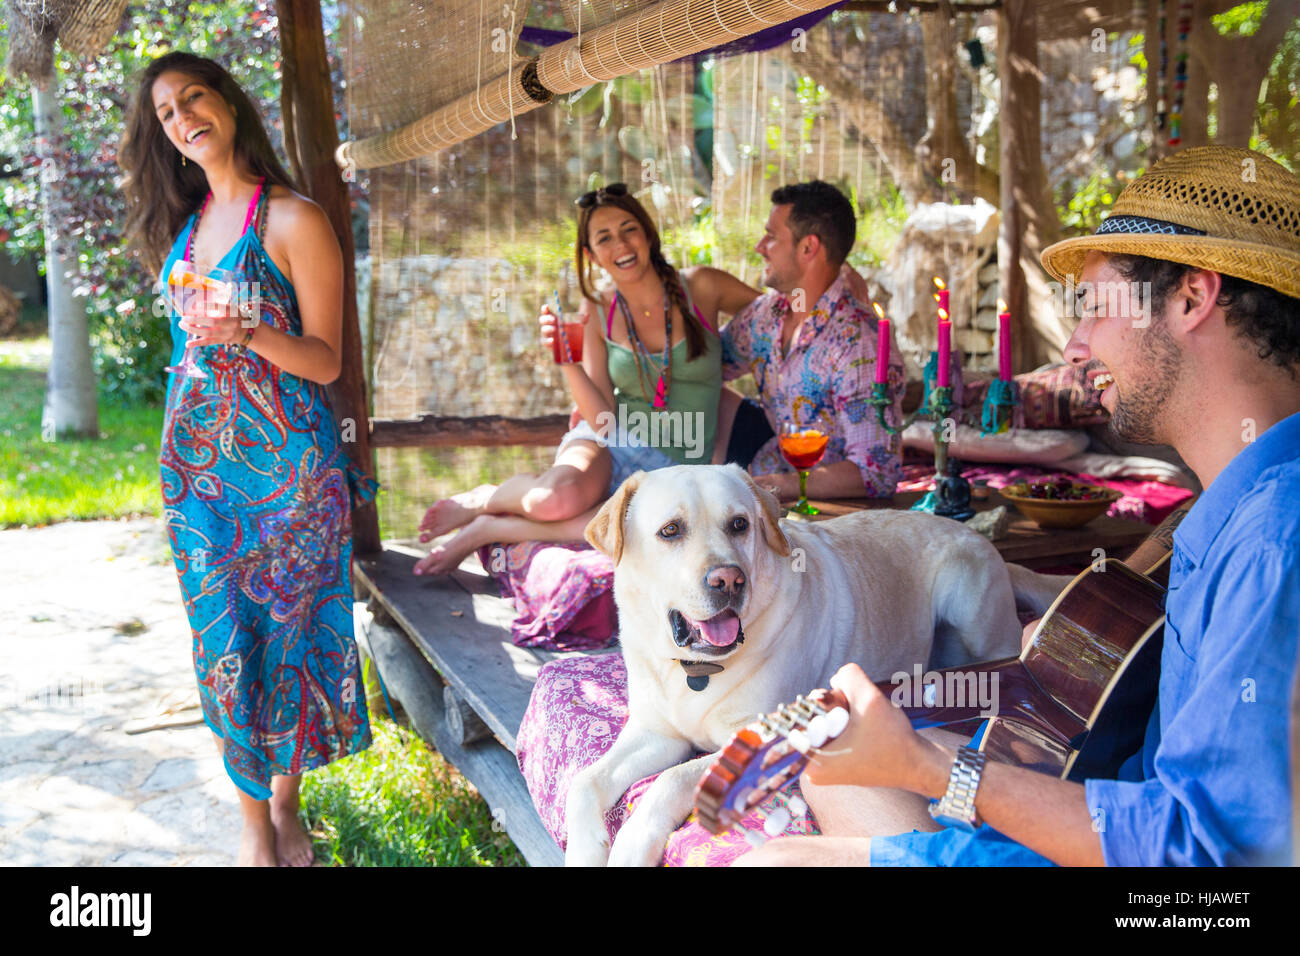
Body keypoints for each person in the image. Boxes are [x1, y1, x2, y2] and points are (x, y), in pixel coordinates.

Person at [736, 146, 1300, 867]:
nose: (1074, 343)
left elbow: (1211, 858)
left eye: (1095, 307)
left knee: (772, 860)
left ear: (1193, 298)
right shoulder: (1228, 504)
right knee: (835, 760)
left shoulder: (1276, 540)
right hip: (1116, 807)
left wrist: (932, 772)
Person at [120, 51, 375, 867]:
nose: (182, 116)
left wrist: (248, 332)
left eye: (193, 96)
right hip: (200, 484)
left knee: (286, 637)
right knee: (222, 644)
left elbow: (328, 360)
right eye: (165, 111)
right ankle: (249, 819)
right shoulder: (189, 229)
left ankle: (284, 808)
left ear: (228, 102)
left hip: (290, 478)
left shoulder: (293, 220)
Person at [412, 183, 761, 574]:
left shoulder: (703, 286)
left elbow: (774, 318)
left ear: (647, 233)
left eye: (629, 229)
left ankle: (488, 528)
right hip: (613, 439)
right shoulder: (597, 308)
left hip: (677, 463)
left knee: (612, 530)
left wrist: (736, 377)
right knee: (554, 500)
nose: (621, 245)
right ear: (591, 254)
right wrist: (566, 360)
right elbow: (601, 420)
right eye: (604, 238)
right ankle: (488, 498)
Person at [716, 180, 906, 502]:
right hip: (770, 469)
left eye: (772, 237)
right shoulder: (766, 314)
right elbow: (704, 369)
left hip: (832, 512)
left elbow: (875, 474)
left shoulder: (858, 342)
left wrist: (763, 487)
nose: (760, 246)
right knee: (709, 397)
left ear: (808, 248)